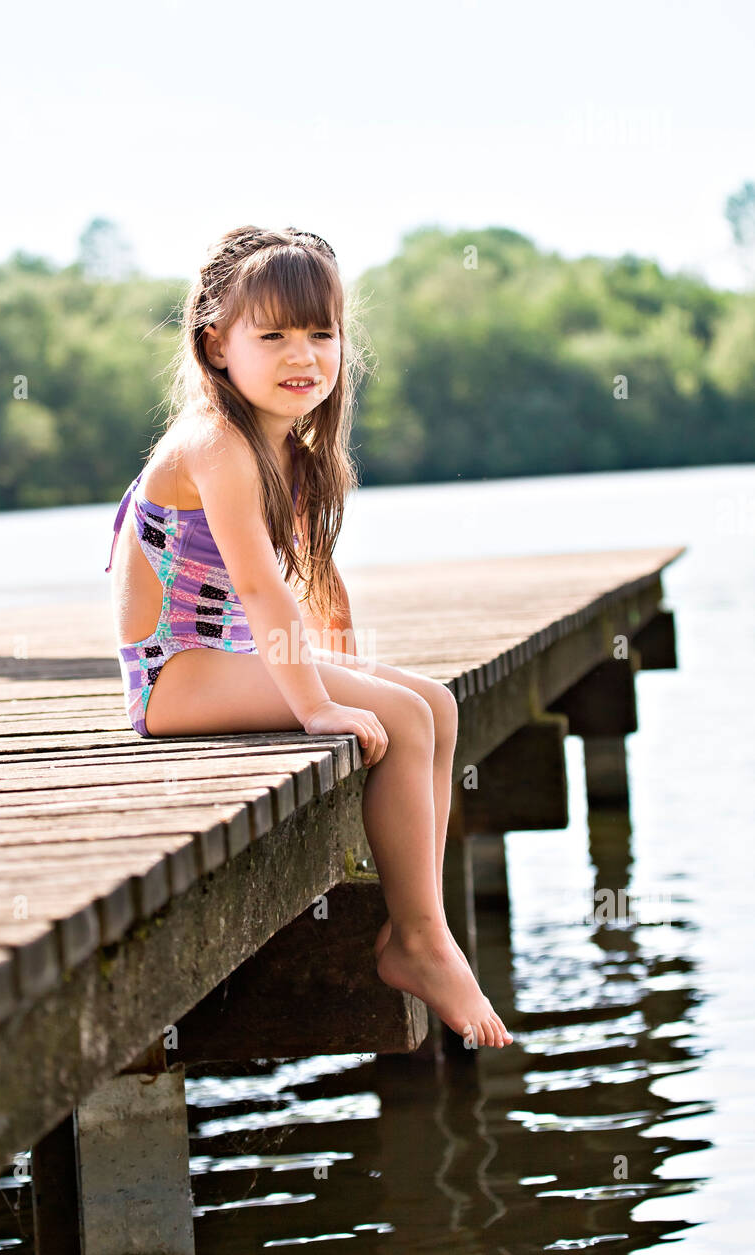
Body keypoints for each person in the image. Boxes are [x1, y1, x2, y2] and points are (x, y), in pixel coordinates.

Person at [105, 224, 513, 1050]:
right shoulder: (214, 442)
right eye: (275, 334)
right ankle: (421, 940)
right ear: (217, 345)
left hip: (226, 661)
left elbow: (319, 580)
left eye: (322, 333)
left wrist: (351, 667)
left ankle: (417, 925)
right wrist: (320, 705)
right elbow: (257, 589)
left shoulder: (287, 445)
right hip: (173, 677)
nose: (305, 355)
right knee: (398, 719)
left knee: (429, 702)